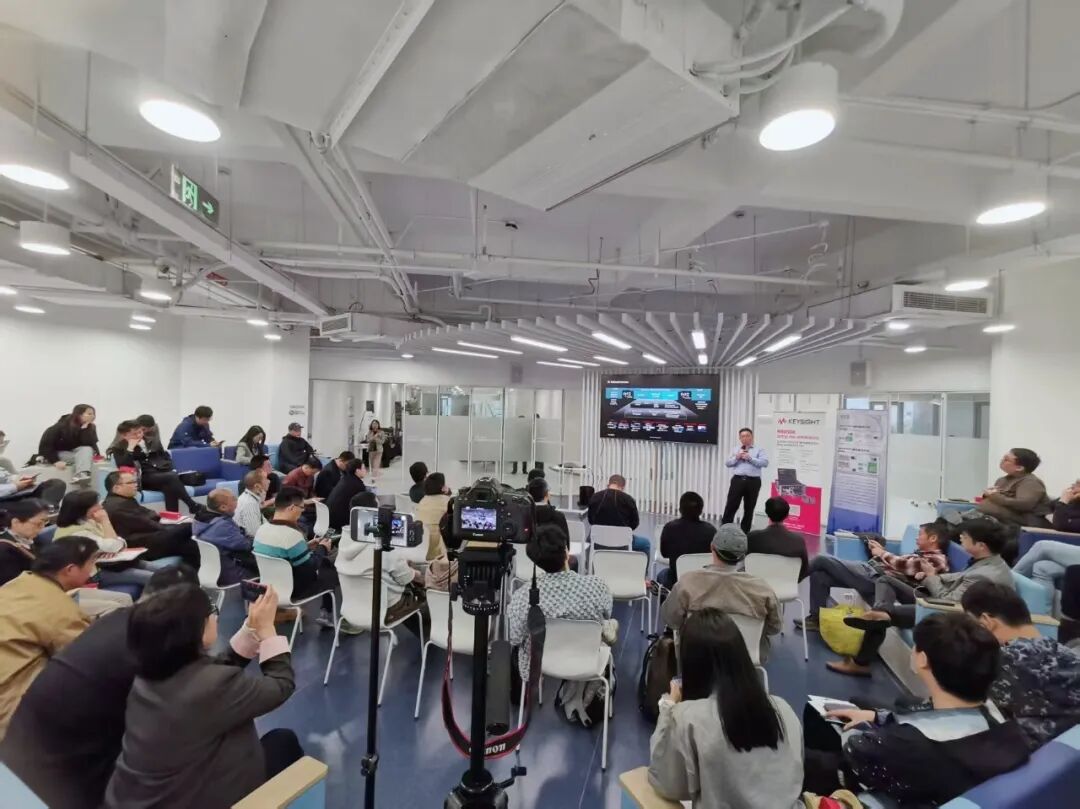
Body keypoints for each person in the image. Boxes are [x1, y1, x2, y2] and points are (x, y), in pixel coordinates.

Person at [0, 566, 199, 809]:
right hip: (59, 784)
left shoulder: (110, 624)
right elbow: (185, 710)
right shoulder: (148, 648)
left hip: (20, 760)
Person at [103, 584, 302, 808]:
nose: (215, 617)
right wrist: (267, 631)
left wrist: (249, 631)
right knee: (284, 742)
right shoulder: (212, 686)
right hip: (194, 799)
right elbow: (281, 685)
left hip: (141, 797)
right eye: (212, 612)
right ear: (196, 630)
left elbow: (209, 673)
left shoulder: (148, 673)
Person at [812, 613, 1029, 806]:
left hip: (895, 788)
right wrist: (878, 716)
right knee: (861, 703)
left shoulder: (906, 745)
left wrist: (862, 727)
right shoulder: (1004, 717)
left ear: (923, 660)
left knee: (814, 755)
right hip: (952, 787)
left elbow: (857, 757)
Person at [648, 608, 802, 809]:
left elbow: (665, 782)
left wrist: (668, 708)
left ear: (691, 662)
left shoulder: (688, 718)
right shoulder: (784, 710)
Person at [832, 520, 1015, 678]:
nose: (961, 538)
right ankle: (880, 611)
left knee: (885, 616)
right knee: (886, 581)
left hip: (953, 615)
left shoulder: (986, 574)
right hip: (939, 598)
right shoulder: (988, 561)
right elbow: (956, 580)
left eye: (965, 537)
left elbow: (950, 601)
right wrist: (932, 575)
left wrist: (931, 577)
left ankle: (861, 662)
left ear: (981, 545)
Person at [961, 581, 1080, 749]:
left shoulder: (1002, 663)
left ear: (986, 622)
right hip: (1062, 754)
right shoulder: (1069, 656)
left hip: (1015, 755)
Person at [0, 538, 96, 739]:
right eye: (91, 563)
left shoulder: (17, 583)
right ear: (70, 570)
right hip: (14, 721)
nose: (92, 570)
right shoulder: (60, 610)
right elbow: (91, 661)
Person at [507, 525, 613, 681]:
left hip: (539, 664)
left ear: (535, 560)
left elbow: (514, 637)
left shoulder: (523, 597)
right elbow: (607, 614)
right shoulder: (597, 586)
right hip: (587, 663)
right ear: (566, 552)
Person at [660, 524, 781, 662]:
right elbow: (775, 627)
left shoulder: (687, 583)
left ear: (712, 547)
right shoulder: (762, 589)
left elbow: (671, 619)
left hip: (695, 657)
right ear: (743, 556)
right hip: (745, 658)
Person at [802, 522, 949, 633]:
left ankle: (791, 581)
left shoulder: (937, 559)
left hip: (874, 577)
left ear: (933, 538)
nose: (917, 537)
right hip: (873, 572)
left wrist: (881, 553)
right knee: (820, 576)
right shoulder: (920, 554)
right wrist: (880, 552)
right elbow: (901, 564)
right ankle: (815, 619)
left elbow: (904, 565)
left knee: (821, 560)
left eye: (920, 534)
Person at [253, 487, 339, 626]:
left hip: (268, 587)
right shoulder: (292, 535)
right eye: (301, 508)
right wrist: (322, 548)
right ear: (292, 508)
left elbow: (283, 552)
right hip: (294, 590)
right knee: (329, 571)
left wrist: (306, 546)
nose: (302, 511)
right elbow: (310, 567)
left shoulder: (261, 530)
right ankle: (327, 614)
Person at [53, 490, 154, 595]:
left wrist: (114, 546)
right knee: (151, 577)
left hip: (108, 563)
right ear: (83, 509)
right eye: (95, 505)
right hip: (93, 574)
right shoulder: (77, 532)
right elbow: (113, 545)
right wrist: (105, 521)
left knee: (160, 571)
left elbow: (117, 541)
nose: (101, 507)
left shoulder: (87, 520)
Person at [335, 522, 424, 630]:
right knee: (420, 590)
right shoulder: (385, 546)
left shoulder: (343, 546)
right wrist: (415, 573)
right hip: (384, 611)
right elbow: (405, 579)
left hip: (350, 610)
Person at [103, 470, 200, 568]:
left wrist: (170, 526)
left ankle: (188, 575)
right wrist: (171, 528)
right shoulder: (118, 507)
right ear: (116, 488)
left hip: (146, 536)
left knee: (188, 544)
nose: (136, 485)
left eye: (135, 481)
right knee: (188, 527)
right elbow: (146, 524)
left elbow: (149, 514)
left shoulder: (123, 500)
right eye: (131, 482)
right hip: (140, 544)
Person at [107, 419, 199, 513]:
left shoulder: (151, 440)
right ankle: (192, 505)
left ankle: (173, 516)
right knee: (171, 477)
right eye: (134, 434)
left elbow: (165, 457)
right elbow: (123, 465)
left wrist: (172, 468)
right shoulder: (118, 448)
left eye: (140, 432)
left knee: (169, 487)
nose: (139, 435)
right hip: (143, 478)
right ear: (124, 435)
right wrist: (130, 448)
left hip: (161, 474)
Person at [976, 447, 1053, 528]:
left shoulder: (1031, 482)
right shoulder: (1002, 480)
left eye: (1006, 459)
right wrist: (987, 495)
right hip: (999, 519)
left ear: (1019, 468)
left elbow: (1024, 505)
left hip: (1025, 523)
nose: (1002, 461)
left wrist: (995, 496)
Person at [193, 489, 257, 585]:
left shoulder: (199, 520)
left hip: (212, 570)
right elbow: (245, 545)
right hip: (233, 572)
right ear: (223, 507)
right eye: (234, 499)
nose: (237, 501)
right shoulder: (222, 525)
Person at [657, 491, 716, 590]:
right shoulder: (711, 530)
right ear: (701, 510)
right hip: (704, 581)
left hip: (677, 580)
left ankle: (668, 599)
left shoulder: (670, 528)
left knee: (661, 575)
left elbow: (664, 553)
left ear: (680, 509)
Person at [587, 474, 651, 556]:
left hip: (597, 541)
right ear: (623, 487)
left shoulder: (594, 497)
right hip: (622, 542)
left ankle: (590, 563)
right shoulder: (629, 500)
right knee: (645, 544)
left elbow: (591, 520)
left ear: (608, 484)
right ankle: (637, 565)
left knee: (588, 539)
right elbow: (634, 524)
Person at [747, 497, 809, 580]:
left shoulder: (752, 537)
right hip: (786, 582)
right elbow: (804, 570)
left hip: (757, 581)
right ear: (787, 515)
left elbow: (746, 562)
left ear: (766, 512)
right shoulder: (798, 541)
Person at [35, 404, 98, 483]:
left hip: (76, 453)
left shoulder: (90, 427)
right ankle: (81, 474)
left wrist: (85, 429)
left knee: (86, 451)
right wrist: (55, 461)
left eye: (93, 414)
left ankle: (82, 475)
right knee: (84, 459)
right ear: (79, 415)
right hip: (56, 453)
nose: (93, 416)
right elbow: (45, 445)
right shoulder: (61, 426)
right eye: (89, 414)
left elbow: (90, 444)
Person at [721, 428, 767, 533]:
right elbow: (728, 463)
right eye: (743, 436)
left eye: (747, 436)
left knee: (749, 507)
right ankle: (724, 530)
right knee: (731, 505)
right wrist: (736, 458)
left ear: (752, 437)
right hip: (737, 480)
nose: (745, 438)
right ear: (740, 438)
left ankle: (745, 532)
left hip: (753, 481)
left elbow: (765, 463)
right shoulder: (735, 449)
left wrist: (750, 458)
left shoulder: (759, 450)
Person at [0, 499, 51, 586]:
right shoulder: (4, 550)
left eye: (45, 522)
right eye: (38, 524)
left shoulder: (35, 539)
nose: (42, 527)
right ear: (16, 522)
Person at [416, 472, 452, 561]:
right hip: (441, 552)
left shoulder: (422, 502)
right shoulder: (448, 502)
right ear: (443, 487)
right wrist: (448, 493)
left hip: (423, 549)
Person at [326, 459, 369, 531]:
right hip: (340, 522)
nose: (365, 471)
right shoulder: (358, 485)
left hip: (329, 517)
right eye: (363, 468)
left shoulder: (344, 479)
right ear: (357, 470)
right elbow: (364, 506)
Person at [0, 467, 65, 508]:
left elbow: (5, 477)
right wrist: (15, 486)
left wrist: (19, 479)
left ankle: (45, 511)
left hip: (14, 490)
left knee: (57, 484)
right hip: (4, 497)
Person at [234, 470, 269, 538]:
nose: (269, 481)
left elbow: (263, 520)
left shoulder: (250, 496)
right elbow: (254, 533)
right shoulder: (250, 503)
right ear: (257, 486)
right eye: (266, 479)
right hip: (250, 540)